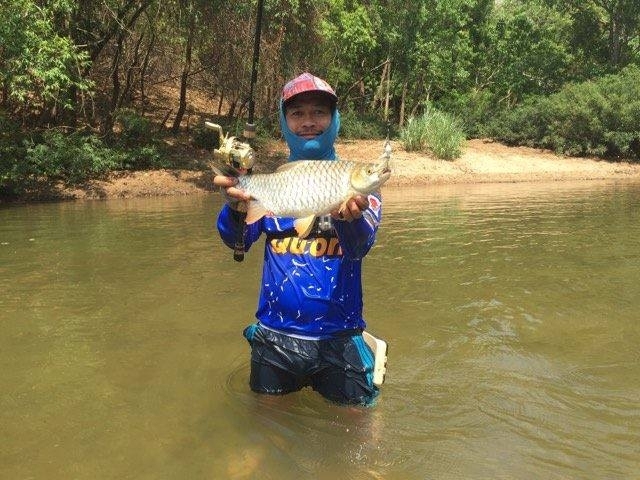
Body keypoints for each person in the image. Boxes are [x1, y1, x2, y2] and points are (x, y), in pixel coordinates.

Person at [213, 72, 383, 406]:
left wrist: (349, 222)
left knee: (360, 431)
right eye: (297, 113)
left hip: (341, 335)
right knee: (264, 428)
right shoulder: (275, 180)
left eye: (319, 112)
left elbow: (361, 246)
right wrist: (234, 208)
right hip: (275, 336)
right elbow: (239, 242)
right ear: (284, 119)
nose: (308, 122)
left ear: (334, 120)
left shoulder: (358, 181)